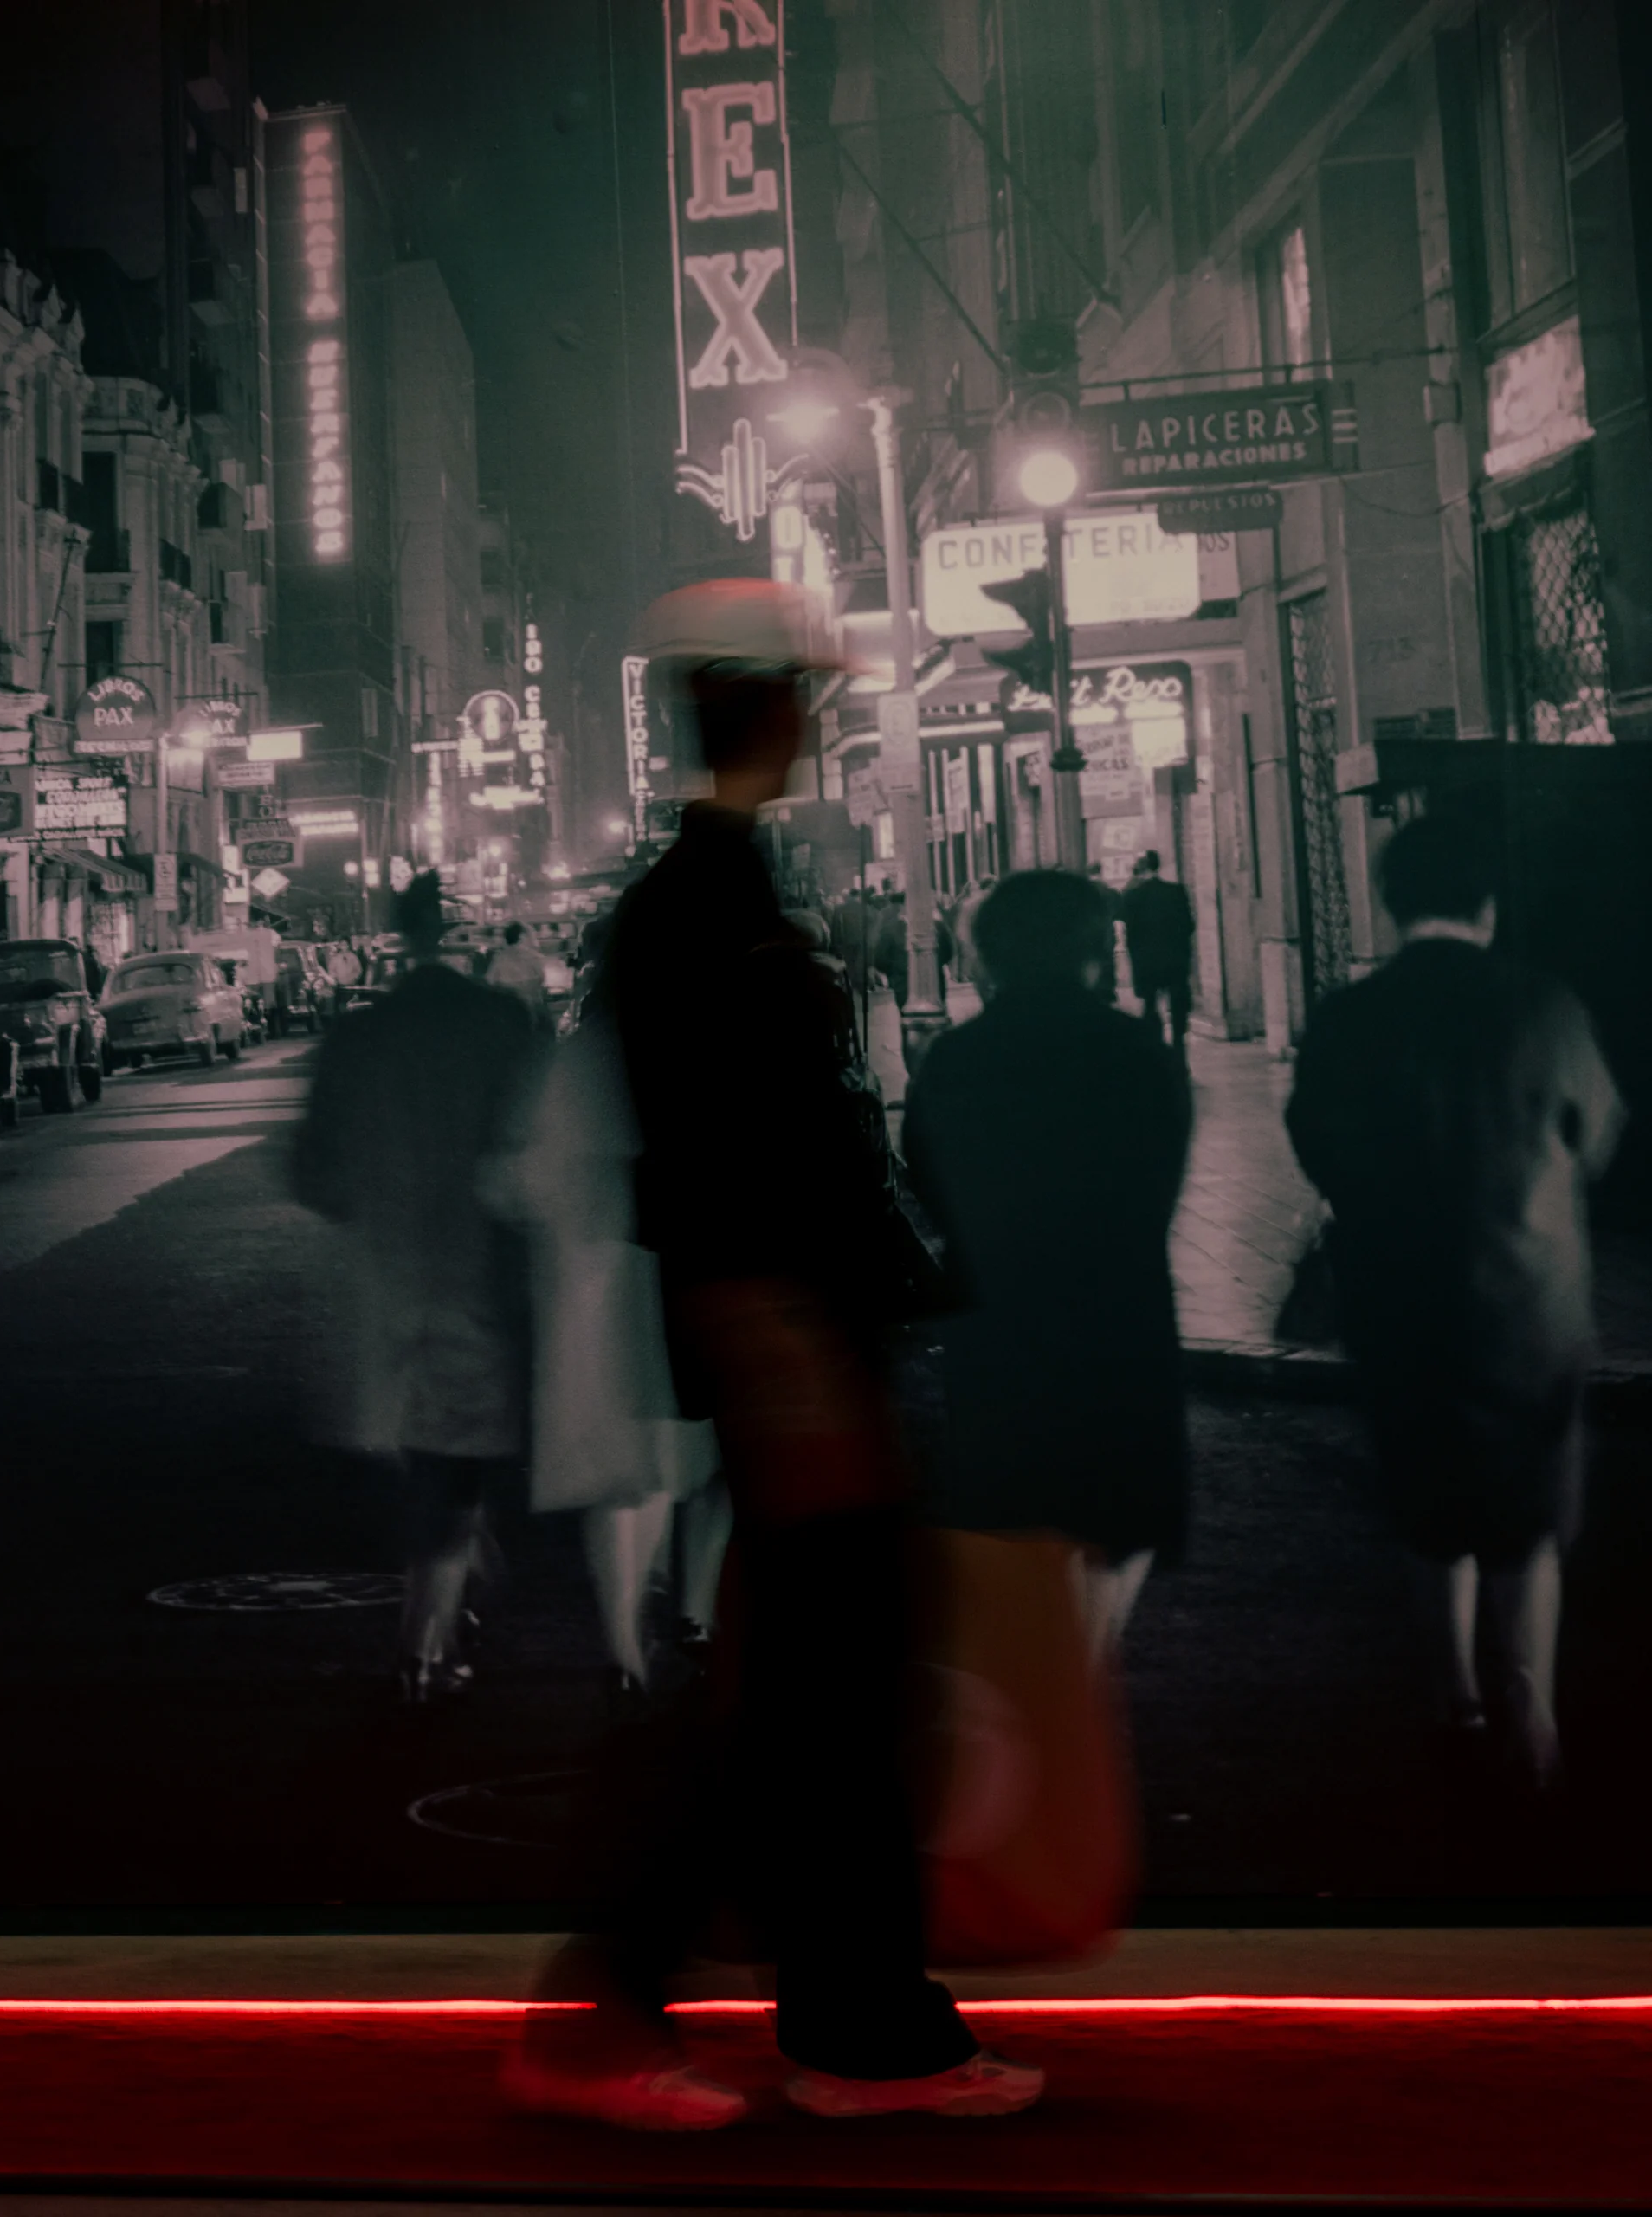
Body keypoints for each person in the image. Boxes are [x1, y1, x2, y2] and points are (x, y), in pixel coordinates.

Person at [505, 578, 1041, 2132]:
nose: (813, 718)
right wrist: (773, 1334)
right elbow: (719, 1151)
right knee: (808, 1685)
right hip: (783, 1328)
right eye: (797, 694)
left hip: (803, 1323)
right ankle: (648, 2006)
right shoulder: (695, 906)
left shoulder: (726, 888)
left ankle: (850, 2022)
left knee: (823, 1682)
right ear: (752, 706)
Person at [1285, 815, 1624, 1787]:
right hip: (1529, 1297)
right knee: (1527, 1514)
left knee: (1428, 1505)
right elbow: (1595, 1137)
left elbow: (1317, 1141)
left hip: (1398, 1295)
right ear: (1487, 903)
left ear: (1391, 905)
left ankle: (1453, 1697)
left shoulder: (1349, 1016)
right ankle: (1532, 1706)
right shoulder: (1542, 1005)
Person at [904, 870, 1192, 1661]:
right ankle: (1084, 1664)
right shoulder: (1139, 1052)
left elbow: (923, 1174)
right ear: (1095, 952)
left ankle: (1049, 1671)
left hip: (999, 1316)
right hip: (1118, 1312)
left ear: (988, 956)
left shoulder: (957, 1059)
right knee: (1120, 1513)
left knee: (1019, 1509)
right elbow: (1164, 1175)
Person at [292, 870, 539, 1703]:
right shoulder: (501, 1024)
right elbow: (536, 1148)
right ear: (456, 930)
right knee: (456, 1463)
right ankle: (424, 1643)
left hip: (384, 1278)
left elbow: (311, 1174)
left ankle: (433, 1621)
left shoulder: (355, 1038)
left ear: (395, 932)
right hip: (480, 1269)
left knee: (422, 1458)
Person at [1120, 850, 1194, 1052]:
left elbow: (1131, 933)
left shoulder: (1132, 897)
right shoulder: (1176, 892)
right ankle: (1179, 1043)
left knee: (1150, 1004)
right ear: (1158, 866)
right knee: (1178, 1003)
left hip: (1146, 962)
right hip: (1174, 960)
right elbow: (1189, 926)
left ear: (1140, 868)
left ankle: (1156, 1044)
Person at [485, 919, 552, 1023]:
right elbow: (541, 979)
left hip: (508, 1011)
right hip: (531, 1011)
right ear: (522, 938)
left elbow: (489, 982)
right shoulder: (534, 958)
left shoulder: (499, 959)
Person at [326, 937, 363, 1014]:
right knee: (339, 1006)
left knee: (351, 1005)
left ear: (348, 945)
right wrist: (334, 978)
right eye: (342, 944)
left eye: (345, 944)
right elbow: (331, 970)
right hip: (340, 986)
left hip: (351, 985)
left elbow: (358, 970)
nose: (344, 946)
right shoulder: (335, 958)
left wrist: (354, 978)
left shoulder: (353, 957)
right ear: (339, 946)